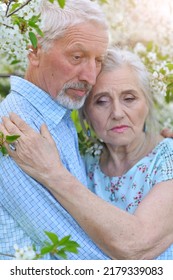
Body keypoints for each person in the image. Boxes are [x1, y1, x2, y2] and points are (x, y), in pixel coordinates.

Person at [1, 47, 173, 260]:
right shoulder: (85, 163)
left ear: (147, 104)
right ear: (86, 114)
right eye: (101, 101)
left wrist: (52, 172)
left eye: (129, 98)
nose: (117, 113)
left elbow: (137, 248)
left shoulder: (167, 158)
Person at [0, 0, 110, 259]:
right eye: (77, 57)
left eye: (98, 60)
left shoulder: (57, 116)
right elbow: (76, 251)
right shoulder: (15, 127)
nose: (91, 77)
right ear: (34, 50)